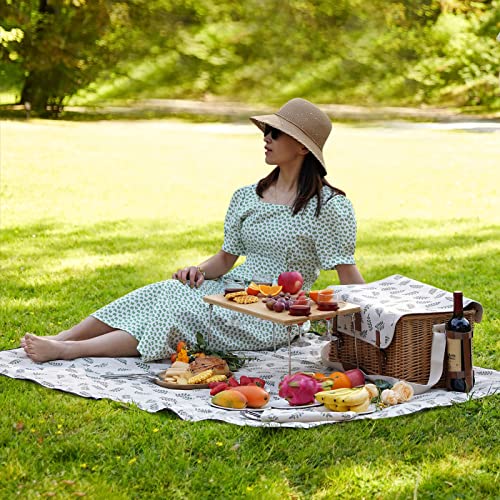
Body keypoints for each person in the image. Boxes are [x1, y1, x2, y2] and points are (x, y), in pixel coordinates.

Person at [22, 98, 364, 363]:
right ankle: (65, 337)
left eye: (276, 133)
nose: (266, 138)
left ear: (303, 147)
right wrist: (196, 271)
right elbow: (225, 259)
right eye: (265, 131)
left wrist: (382, 315)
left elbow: (349, 276)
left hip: (272, 316)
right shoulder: (247, 196)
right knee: (161, 291)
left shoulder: (328, 206)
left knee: (178, 311)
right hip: (231, 291)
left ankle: (71, 352)